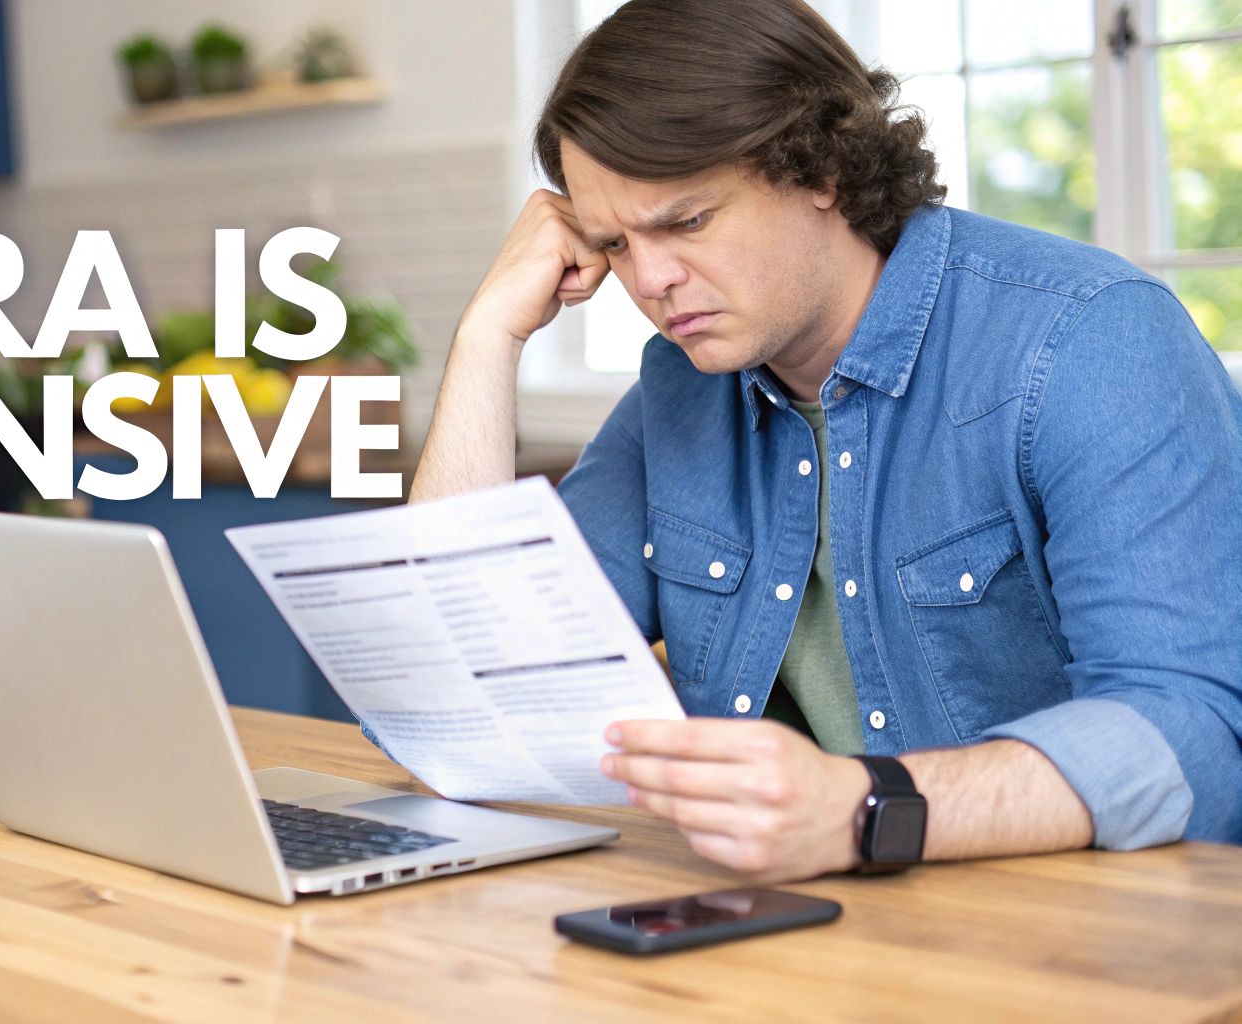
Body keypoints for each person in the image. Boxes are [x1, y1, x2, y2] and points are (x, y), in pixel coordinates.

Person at [410, 0, 1242, 881]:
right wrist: (488, 336)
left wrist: (863, 809)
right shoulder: (678, 392)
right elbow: (458, 706)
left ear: (823, 171)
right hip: (801, 920)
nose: (649, 280)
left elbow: (1194, 740)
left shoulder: (1089, 338)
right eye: (614, 243)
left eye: (687, 222)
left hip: (1072, 925)